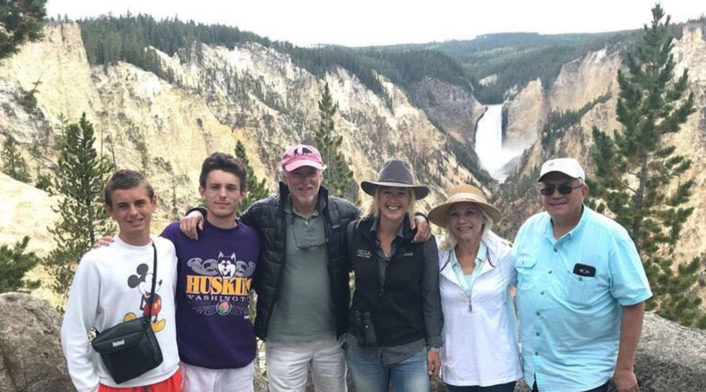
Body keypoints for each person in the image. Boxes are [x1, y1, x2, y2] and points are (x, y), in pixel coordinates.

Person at [180, 146, 432, 392]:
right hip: (282, 339)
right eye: (297, 174)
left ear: (321, 175)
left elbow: (384, 218)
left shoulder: (343, 213)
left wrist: (418, 216)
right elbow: (227, 225)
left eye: (311, 173)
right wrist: (199, 210)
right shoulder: (263, 213)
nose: (305, 181)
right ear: (285, 177)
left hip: (331, 337)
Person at [513, 158, 652, 392]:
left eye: (565, 188)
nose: (556, 195)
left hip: (583, 377)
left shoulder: (611, 237)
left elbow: (634, 303)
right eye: (548, 189)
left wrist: (625, 369)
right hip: (537, 373)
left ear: (583, 191)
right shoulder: (529, 229)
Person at [61, 170, 181, 392]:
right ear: (110, 211)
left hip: (167, 376)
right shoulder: (96, 262)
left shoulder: (167, 250)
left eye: (140, 203)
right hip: (117, 382)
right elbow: (74, 330)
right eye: (123, 206)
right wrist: (89, 387)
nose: (133, 212)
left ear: (153, 202)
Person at [161, 152, 260, 392]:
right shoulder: (177, 236)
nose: (223, 194)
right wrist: (111, 246)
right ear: (202, 191)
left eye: (230, 188)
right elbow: (142, 258)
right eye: (215, 187)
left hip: (238, 362)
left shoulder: (254, 239)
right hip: (192, 362)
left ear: (242, 194)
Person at [345, 159, 442, 392]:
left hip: (410, 348)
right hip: (363, 348)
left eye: (401, 193)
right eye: (386, 192)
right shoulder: (355, 233)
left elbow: (430, 295)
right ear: (377, 196)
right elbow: (338, 280)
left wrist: (434, 347)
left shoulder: (423, 241)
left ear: (410, 200)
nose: (393, 200)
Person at [427, 184, 522, 392]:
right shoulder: (439, 259)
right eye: (455, 214)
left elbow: (531, 291)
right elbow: (429, 305)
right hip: (458, 368)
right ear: (448, 221)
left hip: (498, 366)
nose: (462, 221)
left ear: (482, 218)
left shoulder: (504, 257)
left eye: (470, 212)